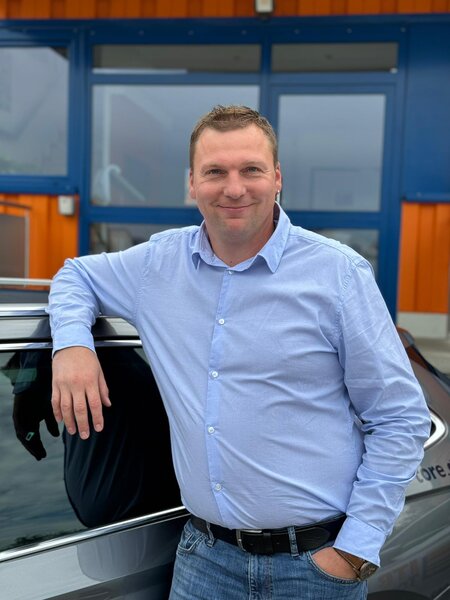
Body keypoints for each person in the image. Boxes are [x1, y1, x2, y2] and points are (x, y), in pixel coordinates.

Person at [48, 105, 430, 599]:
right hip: (204, 562)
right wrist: (72, 346)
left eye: (251, 169)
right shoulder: (156, 266)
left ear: (277, 178)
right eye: (215, 172)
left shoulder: (338, 274)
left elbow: (399, 417)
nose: (234, 188)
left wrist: (355, 549)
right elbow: (74, 275)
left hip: (314, 569)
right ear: (192, 183)